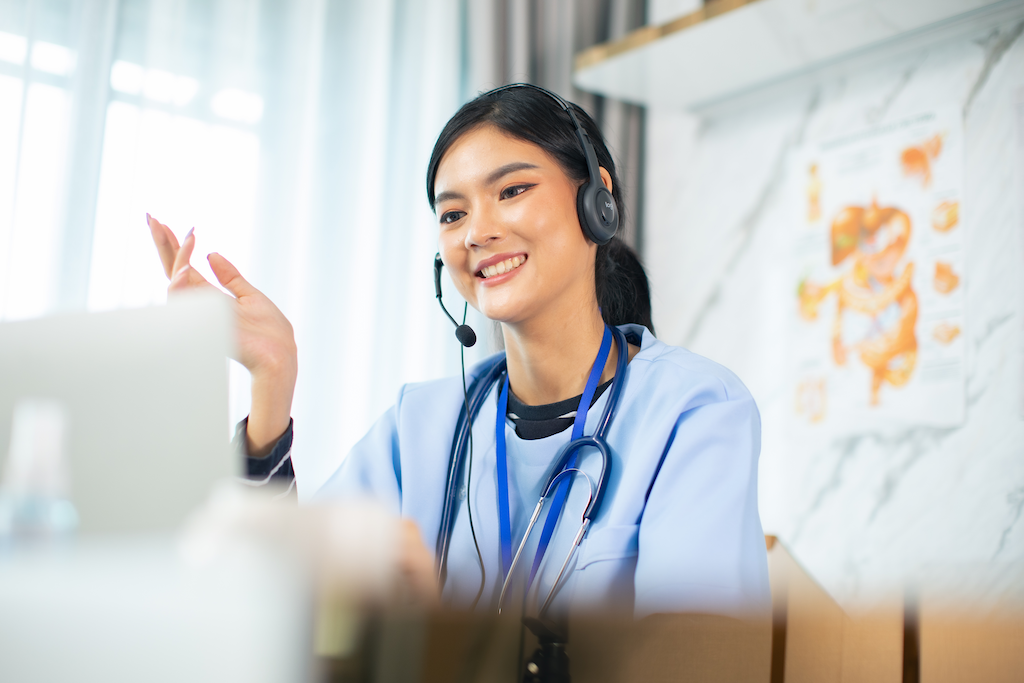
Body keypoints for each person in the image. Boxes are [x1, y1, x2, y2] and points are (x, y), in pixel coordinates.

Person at [147, 84, 769, 619]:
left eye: (513, 190)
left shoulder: (695, 410)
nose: (476, 232)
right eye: (452, 214)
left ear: (596, 199)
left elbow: (695, 661)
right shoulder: (419, 425)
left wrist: (442, 639)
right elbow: (268, 600)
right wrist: (272, 386)